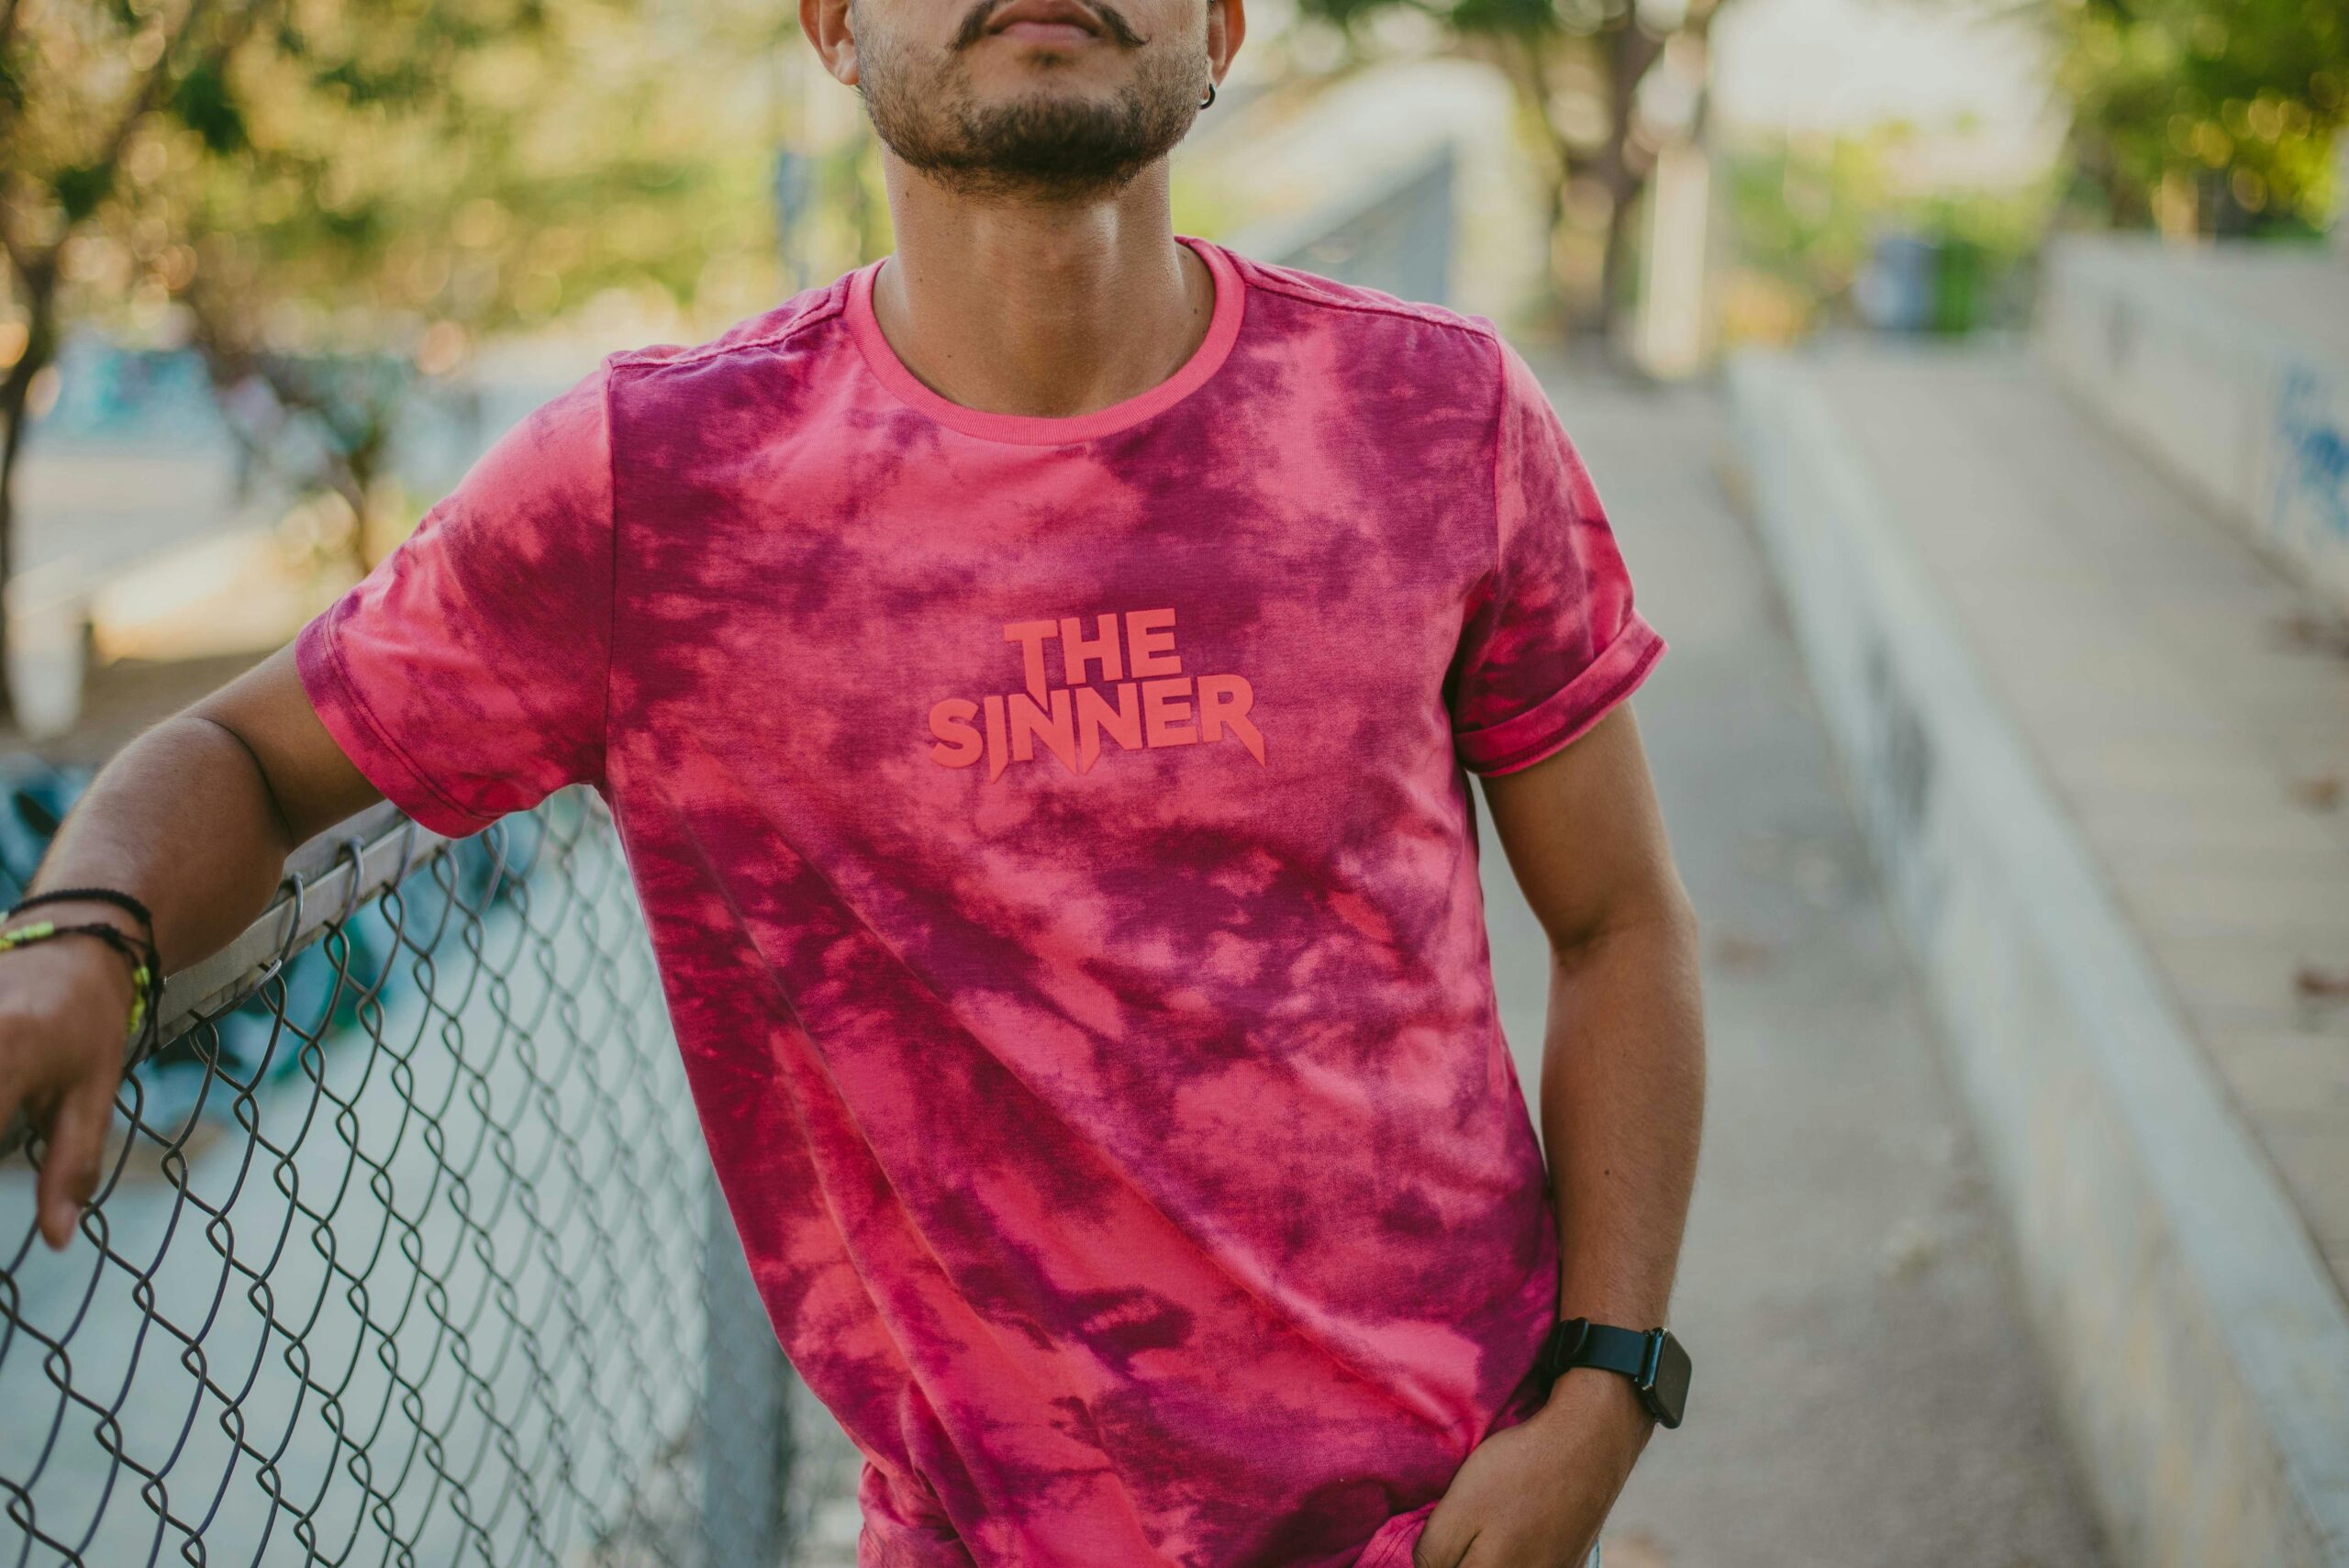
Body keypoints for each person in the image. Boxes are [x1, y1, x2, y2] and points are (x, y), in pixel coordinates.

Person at [0, 0, 1708, 1555]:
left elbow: (1621, 920)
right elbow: (241, 748)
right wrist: (83, 934)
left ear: (1223, 26)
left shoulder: (1435, 411)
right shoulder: (658, 496)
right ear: (831, 25)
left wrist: (1606, 1391)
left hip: (1462, 1516)